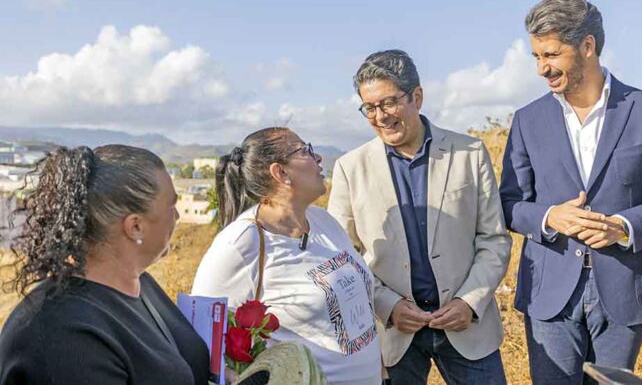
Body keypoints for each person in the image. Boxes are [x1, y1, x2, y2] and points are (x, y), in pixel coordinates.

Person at [499, 0, 642, 384]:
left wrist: (623, 226)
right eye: (536, 57)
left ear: (587, 46)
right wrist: (549, 215)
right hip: (548, 294)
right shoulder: (526, 120)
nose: (542, 68)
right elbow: (509, 203)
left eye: (551, 54)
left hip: (625, 290)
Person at [327, 50, 511, 384]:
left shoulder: (469, 153)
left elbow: (493, 239)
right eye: (370, 107)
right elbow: (343, 258)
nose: (381, 116)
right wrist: (387, 306)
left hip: (466, 326)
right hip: (393, 332)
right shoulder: (349, 168)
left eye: (389, 103)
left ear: (417, 96)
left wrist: (468, 303)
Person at [0, 145, 210, 384]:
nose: (178, 217)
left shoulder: (140, 284)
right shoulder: (63, 337)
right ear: (135, 226)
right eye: (172, 206)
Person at [191, 128, 382, 385]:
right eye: (305, 150)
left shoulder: (324, 221)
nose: (318, 158)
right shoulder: (239, 244)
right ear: (280, 173)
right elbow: (201, 341)